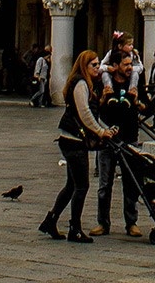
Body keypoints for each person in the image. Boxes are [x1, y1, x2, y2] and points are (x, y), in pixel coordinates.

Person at [43, 50, 115, 243]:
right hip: (73, 140)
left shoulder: (86, 83)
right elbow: (84, 114)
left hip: (71, 138)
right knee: (82, 185)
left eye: (98, 64)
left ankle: (51, 220)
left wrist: (106, 128)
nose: (98, 68)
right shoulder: (81, 83)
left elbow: (92, 112)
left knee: (72, 185)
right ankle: (74, 228)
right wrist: (101, 132)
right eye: (94, 64)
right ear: (84, 66)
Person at [92, 52, 143, 238]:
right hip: (107, 140)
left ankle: (132, 222)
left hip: (129, 138)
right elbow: (93, 110)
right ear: (115, 65)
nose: (130, 68)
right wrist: (103, 99)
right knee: (104, 184)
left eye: (131, 64)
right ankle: (102, 223)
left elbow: (147, 106)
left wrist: (139, 103)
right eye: (126, 64)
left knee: (130, 182)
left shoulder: (135, 82)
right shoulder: (104, 82)